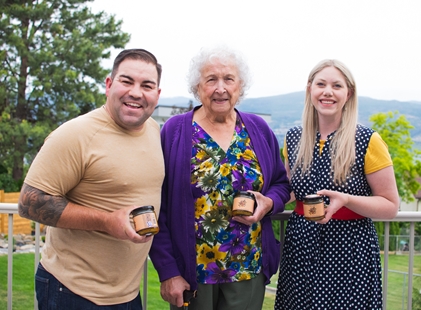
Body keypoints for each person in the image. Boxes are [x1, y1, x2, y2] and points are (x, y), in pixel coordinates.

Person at [18, 48, 164, 310]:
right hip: (73, 292)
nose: (136, 92)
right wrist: (107, 222)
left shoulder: (153, 130)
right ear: (109, 85)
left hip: (128, 295)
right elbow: (30, 203)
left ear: (157, 94)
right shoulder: (76, 134)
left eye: (147, 85)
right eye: (126, 81)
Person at [149, 45, 291, 310]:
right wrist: (168, 271)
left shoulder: (257, 128)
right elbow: (159, 205)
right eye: (211, 79)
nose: (220, 88)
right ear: (197, 87)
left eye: (228, 79)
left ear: (240, 86)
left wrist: (269, 203)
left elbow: (281, 185)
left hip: (248, 269)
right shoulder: (175, 131)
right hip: (192, 274)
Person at [274, 59, 400, 309]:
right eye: (320, 84)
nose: (327, 92)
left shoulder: (367, 140)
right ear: (310, 89)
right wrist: (266, 196)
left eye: (337, 86)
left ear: (348, 93)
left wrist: (348, 199)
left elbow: (390, 205)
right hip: (302, 246)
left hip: (350, 250)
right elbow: (290, 187)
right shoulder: (294, 137)